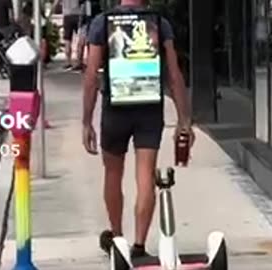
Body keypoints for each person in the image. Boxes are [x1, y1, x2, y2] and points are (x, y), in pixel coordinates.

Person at [82, 0, 195, 258]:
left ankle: (118, 239)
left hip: (115, 109)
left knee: (112, 173)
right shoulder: (159, 23)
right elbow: (174, 75)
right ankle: (139, 245)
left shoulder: (103, 23)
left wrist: (86, 121)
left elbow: (91, 76)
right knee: (145, 176)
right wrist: (184, 119)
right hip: (149, 108)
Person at [72, 0, 102, 71]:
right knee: (88, 44)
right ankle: (88, 62)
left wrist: (80, 25)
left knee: (83, 44)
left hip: (87, 23)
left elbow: (83, 15)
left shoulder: (86, 3)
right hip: (90, 22)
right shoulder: (92, 3)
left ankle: (82, 62)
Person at [60, 0, 81, 69]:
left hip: (67, 15)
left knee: (67, 40)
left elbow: (56, 2)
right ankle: (78, 62)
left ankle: (68, 62)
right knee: (80, 38)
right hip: (78, 14)